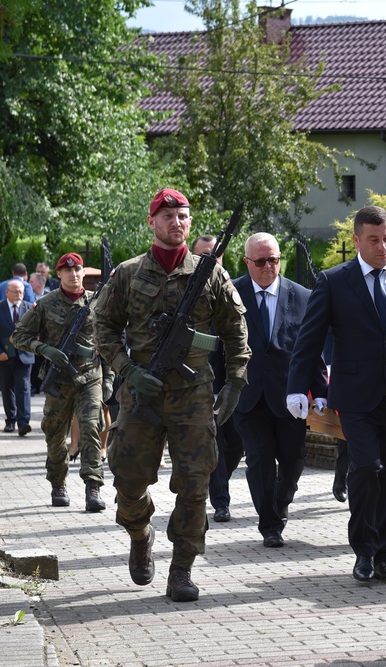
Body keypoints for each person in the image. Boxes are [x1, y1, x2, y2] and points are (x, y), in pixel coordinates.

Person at [93, 188, 250, 603]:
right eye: (167, 216)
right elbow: (103, 329)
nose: (176, 222)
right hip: (141, 394)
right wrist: (127, 369)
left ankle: (181, 569)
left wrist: (234, 380)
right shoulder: (127, 274)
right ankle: (139, 532)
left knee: (196, 483)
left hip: (193, 394)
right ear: (151, 222)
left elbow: (235, 329)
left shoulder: (211, 273)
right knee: (127, 478)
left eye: (182, 216)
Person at [286, 205, 386, 584]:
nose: (383, 246)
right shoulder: (334, 281)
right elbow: (308, 340)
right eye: (374, 240)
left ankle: (383, 552)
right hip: (355, 396)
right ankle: (364, 550)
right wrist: (296, 386)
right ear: (356, 240)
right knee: (367, 468)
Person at [232, 232, 327, 548]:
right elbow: (218, 348)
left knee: (293, 459)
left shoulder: (302, 296)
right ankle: (270, 525)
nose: (268, 266)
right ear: (247, 263)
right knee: (258, 458)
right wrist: (218, 390)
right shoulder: (232, 294)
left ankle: (281, 502)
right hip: (247, 394)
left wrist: (320, 391)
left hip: (290, 395)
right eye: (260, 261)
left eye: (273, 259)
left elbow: (311, 348)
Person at [12, 253, 114, 511]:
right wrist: (43, 349)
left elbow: (109, 342)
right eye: (67, 270)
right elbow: (19, 336)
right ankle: (58, 484)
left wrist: (109, 377)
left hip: (90, 376)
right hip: (58, 380)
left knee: (91, 427)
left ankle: (93, 487)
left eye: (77, 269)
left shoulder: (97, 302)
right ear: (58, 274)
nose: (74, 274)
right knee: (55, 435)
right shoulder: (45, 304)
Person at [190, 235, 246, 525]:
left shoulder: (233, 289)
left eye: (215, 255)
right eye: (203, 255)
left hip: (233, 380)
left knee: (236, 444)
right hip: (202, 380)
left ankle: (219, 482)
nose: (209, 260)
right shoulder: (185, 291)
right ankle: (220, 501)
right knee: (217, 443)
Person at [0, 280, 34, 435]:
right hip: (5, 356)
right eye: (15, 291)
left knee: (24, 388)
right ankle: (10, 420)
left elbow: (36, 330)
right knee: (7, 389)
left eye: (21, 291)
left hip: (24, 355)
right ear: (7, 292)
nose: (19, 294)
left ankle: (23, 423)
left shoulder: (29, 308)